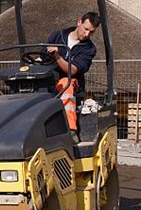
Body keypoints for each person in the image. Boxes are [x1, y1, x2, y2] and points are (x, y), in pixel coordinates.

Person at [42, 11, 101, 143]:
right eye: (86, 29)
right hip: (49, 78)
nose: (87, 34)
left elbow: (72, 70)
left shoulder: (89, 49)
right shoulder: (57, 35)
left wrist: (57, 56)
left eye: (91, 32)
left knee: (65, 84)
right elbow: (42, 56)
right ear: (79, 22)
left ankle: (71, 130)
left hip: (70, 82)